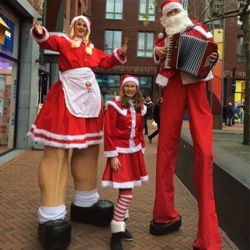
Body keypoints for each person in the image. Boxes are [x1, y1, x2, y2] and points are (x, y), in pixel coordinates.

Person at [28, 16, 128, 250]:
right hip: (67, 95)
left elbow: (106, 61)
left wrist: (119, 53)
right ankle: (51, 213)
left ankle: (85, 202)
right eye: (78, 24)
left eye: (85, 25)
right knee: (58, 150)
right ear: (73, 27)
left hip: (89, 97)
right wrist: (41, 31)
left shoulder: (93, 49)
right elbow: (47, 41)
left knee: (88, 149)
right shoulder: (63, 41)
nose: (82, 27)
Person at [149, 1, 222, 250]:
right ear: (164, 18)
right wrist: (156, 53)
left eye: (175, 11)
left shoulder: (198, 29)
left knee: (204, 152)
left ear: (183, 12)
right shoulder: (164, 36)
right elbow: (157, 51)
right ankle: (163, 214)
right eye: (168, 13)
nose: (172, 15)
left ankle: (208, 236)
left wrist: (213, 57)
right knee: (165, 148)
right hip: (173, 87)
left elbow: (213, 50)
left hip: (196, 83)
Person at [101, 74, 148, 250]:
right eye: (127, 86)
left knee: (124, 192)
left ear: (137, 89)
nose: (130, 89)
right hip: (119, 153)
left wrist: (141, 148)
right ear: (122, 87)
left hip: (134, 152)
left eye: (133, 86)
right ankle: (115, 234)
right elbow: (109, 132)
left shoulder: (139, 107)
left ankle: (122, 227)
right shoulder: (114, 106)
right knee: (127, 194)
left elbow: (140, 131)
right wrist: (113, 155)